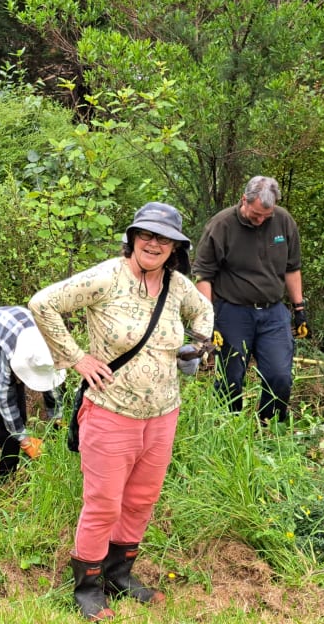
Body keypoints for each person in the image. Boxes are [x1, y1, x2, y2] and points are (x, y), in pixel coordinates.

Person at [29, 202, 213, 620]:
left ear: (174, 247)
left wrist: (200, 346)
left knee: (141, 501)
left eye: (163, 238)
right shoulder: (108, 277)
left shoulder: (178, 285)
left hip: (163, 414)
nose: (153, 243)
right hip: (110, 412)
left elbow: (203, 309)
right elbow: (43, 304)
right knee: (104, 503)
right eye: (146, 235)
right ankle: (88, 585)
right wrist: (76, 358)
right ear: (132, 238)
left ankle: (119, 574)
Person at [192, 175, 307, 424]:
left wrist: (299, 308)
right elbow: (203, 275)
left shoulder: (283, 221)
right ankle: (227, 427)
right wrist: (207, 320)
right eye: (256, 214)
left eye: (266, 216)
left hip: (273, 312)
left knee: (279, 375)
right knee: (230, 377)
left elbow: (292, 267)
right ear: (244, 200)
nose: (261, 220)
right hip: (233, 312)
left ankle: (269, 427)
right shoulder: (221, 225)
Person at [0, 306, 67, 477]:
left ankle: (7, 474)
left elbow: (51, 382)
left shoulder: (48, 348)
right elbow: (4, 398)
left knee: (18, 417)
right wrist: (25, 442)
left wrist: (57, 419)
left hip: (3, 335)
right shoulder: (12, 353)